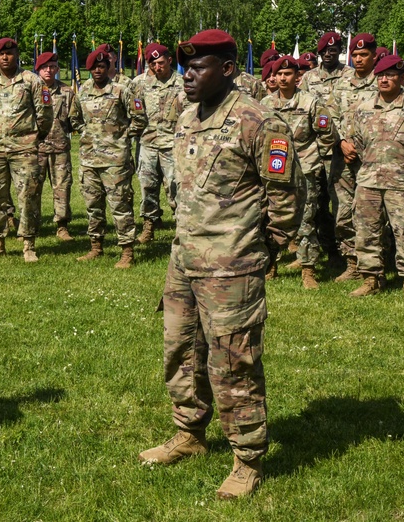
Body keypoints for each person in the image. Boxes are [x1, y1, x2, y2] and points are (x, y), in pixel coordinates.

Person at [138, 30, 302, 500]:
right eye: (186, 67)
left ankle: (247, 459)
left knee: (233, 363)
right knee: (182, 351)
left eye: (198, 68)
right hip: (185, 257)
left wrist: (263, 248)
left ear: (227, 71)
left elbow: (286, 195)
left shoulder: (259, 122)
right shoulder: (189, 115)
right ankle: (189, 434)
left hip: (233, 265)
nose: (187, 76)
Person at [348, 55, 404, 302]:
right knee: (367, 232)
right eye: (380, 75)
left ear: (402, 78)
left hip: (403, 183)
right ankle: (371, 278)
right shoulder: (363, 108)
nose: (384, 79)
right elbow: (356, 143)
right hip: (368, 181)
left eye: (390, 75)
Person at [260, 55, 335, 289]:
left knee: (306, 219)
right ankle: (270, 264)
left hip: (305, 169)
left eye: (288, 74)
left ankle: (308, 270)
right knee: (269, 218)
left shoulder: (311, 102)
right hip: (274, 170)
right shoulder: (265, 104)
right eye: (279, 74)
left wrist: (314, 156)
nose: (282, 78)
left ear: (297, 77)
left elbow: (328, 134)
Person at [0, 38, 52, 261]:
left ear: (17, 54)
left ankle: (28, 245)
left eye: (10, 53)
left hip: (24, 149)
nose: (6, 57)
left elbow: (45, 115)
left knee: (28, 195)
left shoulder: (31, 81)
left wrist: (34, 137)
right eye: (1, 54)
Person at [70, 47, 147, 267]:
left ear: (108, 67)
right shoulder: (82, 91)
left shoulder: (121, 90)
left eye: (102, 67)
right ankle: (96, 246)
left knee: (120, 205)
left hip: (115, 161)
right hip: (89, 159)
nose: (98, 71)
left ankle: (127, 252)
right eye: (94, 67)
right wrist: (86, 133)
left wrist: (122, 136)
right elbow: (74, 118)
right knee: (93, 205)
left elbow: (139, 118)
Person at [326, 33, 379, 281]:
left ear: (374, 55)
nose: (358, 59)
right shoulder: (341, 83)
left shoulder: (383, 81)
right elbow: (330, 117)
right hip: (343, 158)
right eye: (354, 55)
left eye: (363, 54)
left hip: (373, 160)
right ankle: (352, 262)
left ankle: (375, 264)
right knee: (343, 211)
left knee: (373, 213)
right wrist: (342, 142)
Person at [130, 43, 182, 243]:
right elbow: (135, 112)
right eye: (153, 64)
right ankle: (149, 227)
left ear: (169, 60)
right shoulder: (139, 83)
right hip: (148, 143)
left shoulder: (182, 83)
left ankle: (180, 229)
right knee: (147, 187)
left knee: (175, 187)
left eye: (161, 63)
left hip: (172, 144)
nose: (157, 67)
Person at [34, 51, 76, 240]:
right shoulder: (31, 90)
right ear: (38, 70)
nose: (48, 71)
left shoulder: (67, 92)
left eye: (52, 67)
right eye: (44, 67)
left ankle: (62, 226)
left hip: (59, 149)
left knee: (62, 187)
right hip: (36, 148)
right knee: (32, 188)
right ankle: (31, 225)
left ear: (57, 69)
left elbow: (75, 119)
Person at [302, 31, 355, 102]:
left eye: (332, 50)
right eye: (323, 51)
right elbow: (301, 102)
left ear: (340, 51)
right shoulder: (308, 77)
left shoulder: (351, 74)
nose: (327, 54)